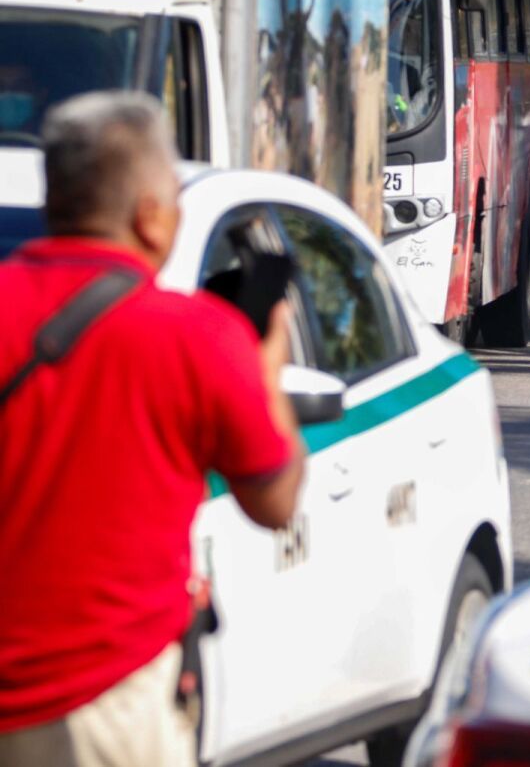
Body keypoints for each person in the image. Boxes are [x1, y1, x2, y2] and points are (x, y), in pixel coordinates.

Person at [0, 92, 305, 767]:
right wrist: (268, 371)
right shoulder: (198, 336)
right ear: (148, 215)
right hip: (107, 704)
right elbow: (275, 501)